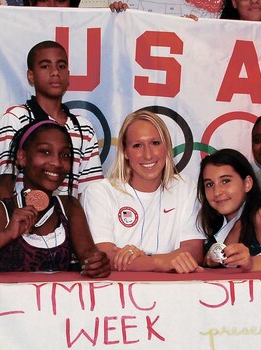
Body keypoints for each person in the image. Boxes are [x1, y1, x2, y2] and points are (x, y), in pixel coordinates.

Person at [0, 121, 110, 277]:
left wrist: (96, 264)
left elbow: (88, 255)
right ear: (22, 157)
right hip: (4, 306)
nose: (57, 162)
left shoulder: (69, 207)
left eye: (65, 155)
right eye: (45, 152)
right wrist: (7, 235)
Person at [82, 110, 205, 273]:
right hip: (118, 288)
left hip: (174, 288)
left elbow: (194, 251)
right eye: (137, 145)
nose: (148, 155)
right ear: (125, 152)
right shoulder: (100, 192)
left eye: (155, 143)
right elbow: (105, 257)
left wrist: (144, 260)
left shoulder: (186, 187)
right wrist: (159, 262)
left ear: (167, 146)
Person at [0, 41, 102, 200]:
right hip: (23, 214)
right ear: (31, 76)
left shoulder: (84, 128)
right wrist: (12, 215)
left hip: (67, 215)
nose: (55, 72)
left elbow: (90, 191)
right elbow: (4, 183)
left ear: (68, 75)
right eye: (45, 66)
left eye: (61, 66)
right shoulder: (15, 118)